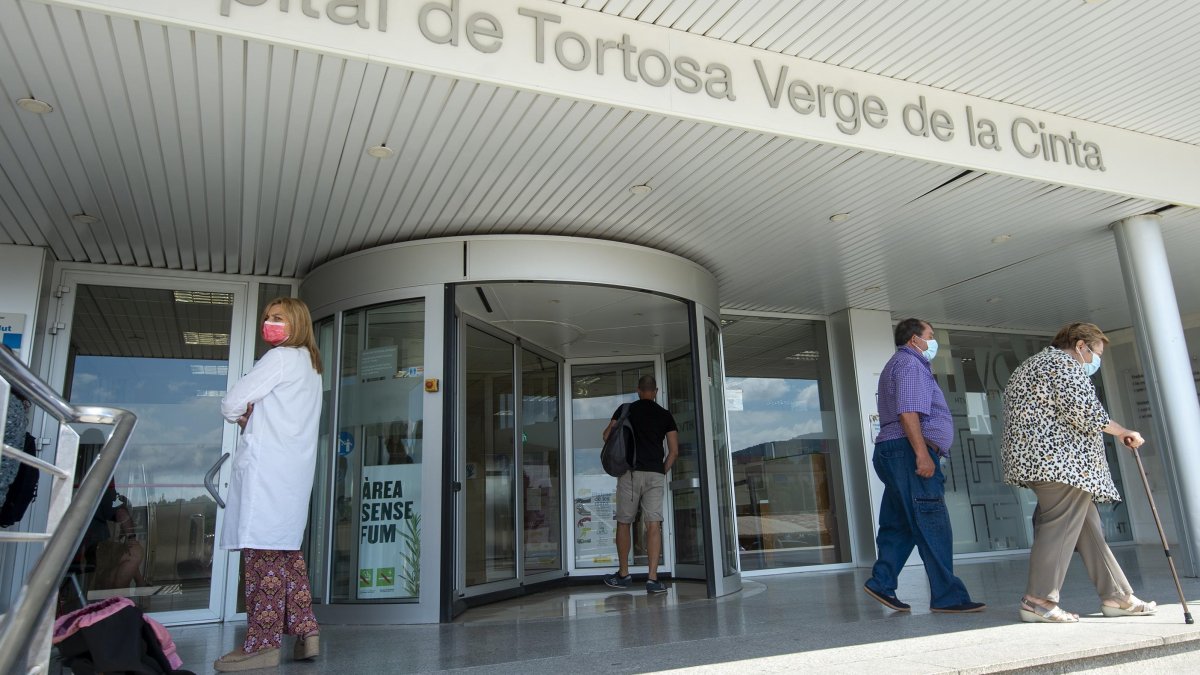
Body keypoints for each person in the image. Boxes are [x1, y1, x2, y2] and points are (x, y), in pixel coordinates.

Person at [1002, 322, 1155, 623]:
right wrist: (1124, 431)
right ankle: (1038, 600)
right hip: (1061, 463)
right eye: (1095, 353)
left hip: (1039, 460)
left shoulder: (1032, 364)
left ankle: (1116, 596)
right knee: (1058, 527)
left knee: (1088, 529)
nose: (1095, 361)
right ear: (1081, 345)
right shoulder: (1064, 364)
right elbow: (1087, 411)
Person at [214, 297, 323, 672]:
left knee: (262, 559)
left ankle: (262, 645)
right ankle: (307, 631)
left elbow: (231, 403)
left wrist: (243, 416)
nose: (269, 324)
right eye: (266, 318)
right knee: (286, 555)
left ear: (296, 323)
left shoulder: (279, 359)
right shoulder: (312, 366)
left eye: (278, 318)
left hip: (267, 475)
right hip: (291, 477)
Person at [863, 319, 985, 614]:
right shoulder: (909, 364)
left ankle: (882, 581)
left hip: (896, 453)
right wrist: (922, 454)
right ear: (914, 339)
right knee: (932, 522)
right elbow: (907, 412)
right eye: (930, 336)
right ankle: (948, 596)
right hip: (907, 454)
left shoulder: (906, 364)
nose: (933, 342)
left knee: (900, 524)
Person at [601, 375, 678, 594]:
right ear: (655, 391)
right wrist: (660, 471)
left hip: (630, 474)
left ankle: (624, 574)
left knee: (624, 522)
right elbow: (674, 451)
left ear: (638, 390)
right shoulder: (665, 415)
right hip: (655, 473)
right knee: (653, 524)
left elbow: (607, 436)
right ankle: (652, 580)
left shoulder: (626, 409)